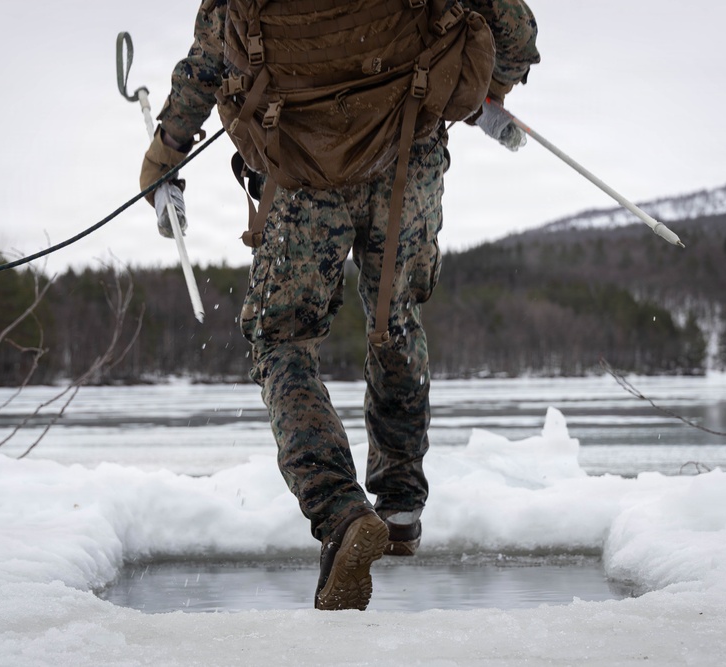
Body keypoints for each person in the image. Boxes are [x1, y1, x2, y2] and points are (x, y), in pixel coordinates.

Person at [140, 0, 540, 611]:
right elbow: (512, 25)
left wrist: (165, 154)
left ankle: (341, 513)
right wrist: (494, 92)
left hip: (300, 167)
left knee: (282, 341)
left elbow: (207, 60)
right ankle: (401, 504)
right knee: (396, 314)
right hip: (408, 153)